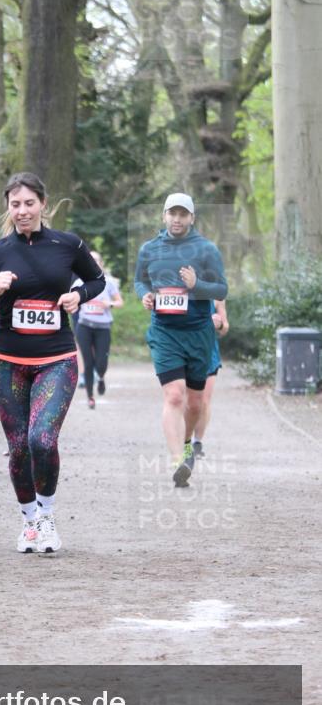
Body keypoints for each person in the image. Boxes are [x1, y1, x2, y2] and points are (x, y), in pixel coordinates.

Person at [0, 172, 105, 554]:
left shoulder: (67, 244)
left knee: (41, 439)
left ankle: (47, 516)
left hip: (56, 359)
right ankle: (29, 522)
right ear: (7, 208)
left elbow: (96, 280)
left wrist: (78, 295)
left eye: (29, 203)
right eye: (15, 204)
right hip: (7, 362)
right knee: (19, 448)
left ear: (43, 204)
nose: (23, 211)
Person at [134, 192, 228, 487]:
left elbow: (221, 290)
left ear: (191, 218)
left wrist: (196, 284)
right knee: (174, 395)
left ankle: (187, 444)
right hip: (164, 332)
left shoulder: (206, 250)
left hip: (198, 333)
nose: (177, 219)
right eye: (172, 213)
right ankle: (178, 461)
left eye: (182, 214)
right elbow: (140, 280)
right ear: (164, 215)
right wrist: (145, 295)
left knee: (196, 403)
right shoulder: (149, 249)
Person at [75, 251, 124, 408]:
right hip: (84, 326)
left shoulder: (108, 282)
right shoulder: (79, 282)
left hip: (103, 328)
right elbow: (71, 301)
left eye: (96, 260)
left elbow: (120, 302)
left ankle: (101, 377)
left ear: (101, 264)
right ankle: (90, 396)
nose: (93, 262)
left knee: (101, 363)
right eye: (90, 260)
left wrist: (109, 304)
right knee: (88, 362)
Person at [192, 299, 229, 457]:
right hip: (185, 350)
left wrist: (219, 325)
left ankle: (197, 442)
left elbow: (225, 327)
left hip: (208, 353)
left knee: (204, 401)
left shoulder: (217, 296)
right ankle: (184, 440)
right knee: (187, 400)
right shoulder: (182, 291)